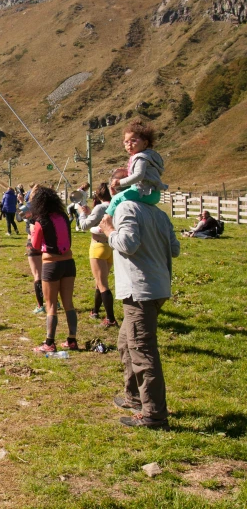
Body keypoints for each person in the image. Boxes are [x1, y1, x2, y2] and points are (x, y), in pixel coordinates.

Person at [99, 170, 180, 429]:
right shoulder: (159, 214)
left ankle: (154, 416)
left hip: (139, 291)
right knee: (126, 343)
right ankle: (134, 397)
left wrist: (110, 230)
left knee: (143, 351)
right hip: (158, 287)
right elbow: (174, 248)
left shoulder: (126, 208)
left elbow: (128, 244)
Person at [30, 186, 78, 353]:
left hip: (51, 264)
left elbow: (35, 246)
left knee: (51, 305)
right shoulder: (64, 217)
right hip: (69, 263)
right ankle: (72, 339)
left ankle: (49, 342)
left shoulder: (41, 220)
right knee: (68, 303)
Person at [105, 120, 168, 218]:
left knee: (116, 199)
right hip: (154, 193)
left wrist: (120, 182)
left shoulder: (141, 158)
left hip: (143, 192)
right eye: (126, 142)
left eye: (133, 140)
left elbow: (139, 175)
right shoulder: (149, 156)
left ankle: (107, 220)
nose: (129, 144)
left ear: (145, 143)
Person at [78, 182, 118, 328]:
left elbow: (84, 225)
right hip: (111, 247)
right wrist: (90, 213)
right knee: (100, 281)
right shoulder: (116, 205)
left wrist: (82, 213)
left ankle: (110, 318)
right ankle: (95, 310)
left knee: (102, 284)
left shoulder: (101, 207)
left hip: (98, 247)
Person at [23, 185, 46, 315]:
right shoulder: (47, 208)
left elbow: (19, 217)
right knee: (48, 274)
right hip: (47, 243)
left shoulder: (28, 208)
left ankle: (40, 305)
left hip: (33, 242)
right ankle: (54, 300)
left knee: (37, 275)